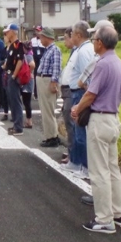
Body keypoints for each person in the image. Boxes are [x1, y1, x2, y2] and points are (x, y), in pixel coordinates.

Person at [71, 25, 121, 234]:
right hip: (113, 119)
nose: (93, 42)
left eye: (94, 39)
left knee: (99, 171)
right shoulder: (118, 62)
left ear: (100, 43)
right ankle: (118, 212)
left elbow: (91, 94)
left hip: (100, 120)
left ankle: (104, 219)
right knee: (112, 169)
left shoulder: (102, 65)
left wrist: (77, 108)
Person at [66, 21, 95, 180]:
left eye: (72, 34)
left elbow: (87, 79)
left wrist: (86, 98)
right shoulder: (86, 49)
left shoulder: (84, 51)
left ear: (78, 35)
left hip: (80, 94)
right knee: (79, 131)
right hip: (78, 93)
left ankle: (84, 166)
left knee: (80, 132)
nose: (70, 37)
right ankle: (80, 164)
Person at [35, 26, 62, 147]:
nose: (40, 39)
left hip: (47, 80)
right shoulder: (48, 49)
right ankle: (50, 135)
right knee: (45, 110)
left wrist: (53, 82)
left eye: (41, 36)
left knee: (48, 110)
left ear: (47, 37)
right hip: (43, 79)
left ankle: (53, 137)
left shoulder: (55, 50)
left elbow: (56, 68)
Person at [2, 23, 24, 136]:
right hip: (8, 74)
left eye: (8, 31)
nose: (6, 33)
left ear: (13, 32)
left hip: (13, 76)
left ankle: (19, 127)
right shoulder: (11, 45)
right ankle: (16, 124)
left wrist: (14, 75)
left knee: (16, 101)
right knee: (11, 101)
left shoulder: (18, 45)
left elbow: (20, 61)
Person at [59, 27, 76, 164]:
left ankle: (74, 155)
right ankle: (71, 151)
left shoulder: (80, 52)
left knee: (71, 124)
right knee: (69, 124)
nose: (65, 42)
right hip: (67, 91)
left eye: (65, 38)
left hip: (72, 91)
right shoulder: (74, 52)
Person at [20, 41, 36, 129]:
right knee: (26, 101)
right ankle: (28, 120)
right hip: (28, 81)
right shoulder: (29, 54)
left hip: (27, 82)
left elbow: (32, 65)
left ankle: (29, 121)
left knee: (26, 101)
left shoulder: (28, 55)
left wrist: (28, 73)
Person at [31, 26, 45, 99]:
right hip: (35, 61)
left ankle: (41, 93)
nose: (37, 32)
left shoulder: (44, 40)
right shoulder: (33, 40)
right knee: (36, 77)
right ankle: (36, 93)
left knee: (42, 78)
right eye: (36, 31)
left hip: (42, 61)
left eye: (39, 31)